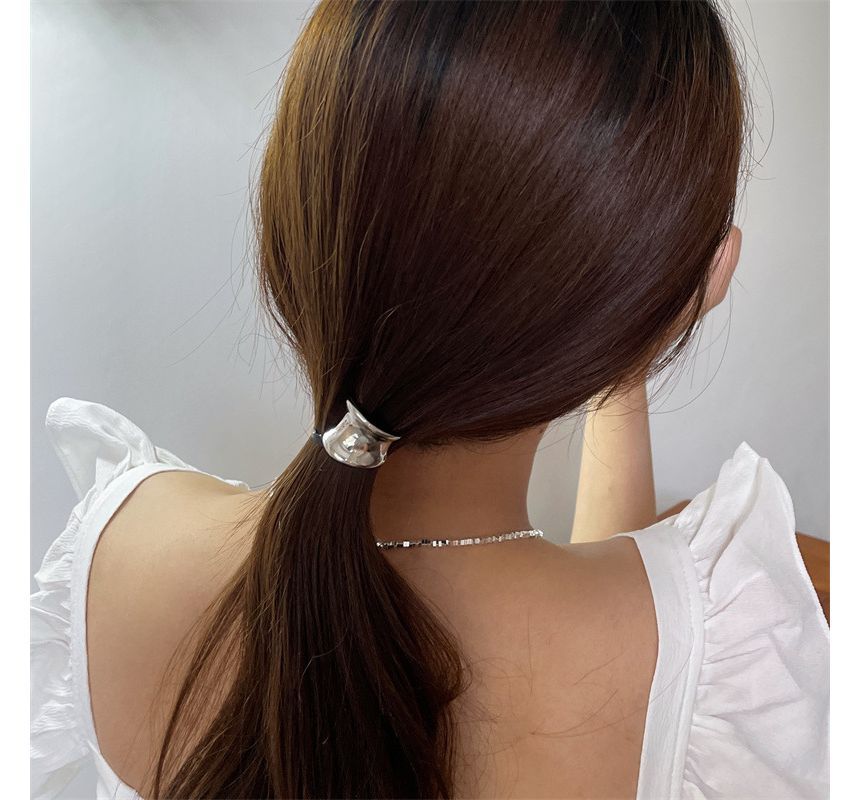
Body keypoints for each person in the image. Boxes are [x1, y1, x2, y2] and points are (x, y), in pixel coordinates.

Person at [30, 1, 829, 798]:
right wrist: (632, 330)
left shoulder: (115, 549)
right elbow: (635, 609)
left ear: (291, 217)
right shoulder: (706, 664)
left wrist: (631, 322)